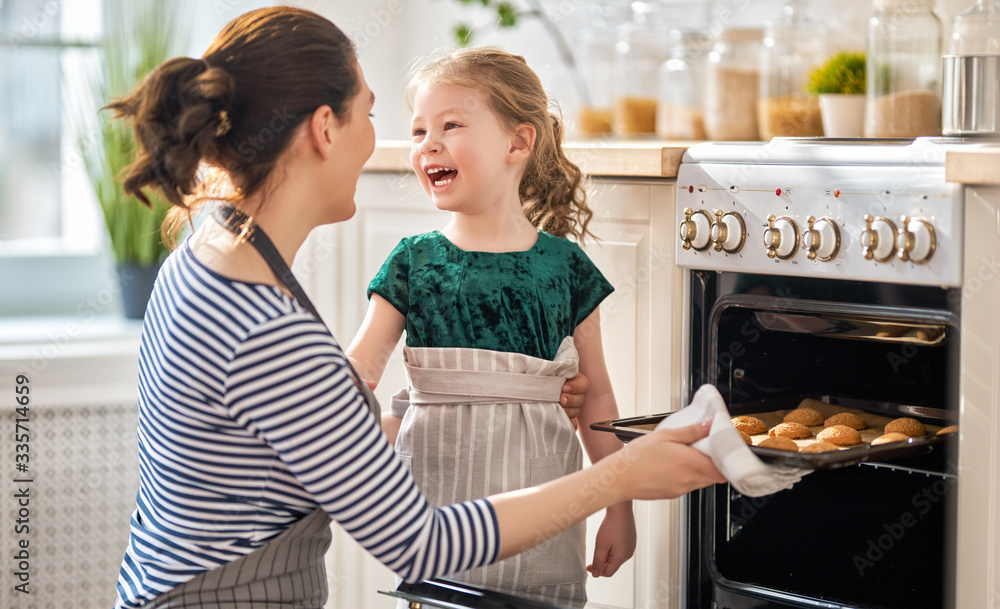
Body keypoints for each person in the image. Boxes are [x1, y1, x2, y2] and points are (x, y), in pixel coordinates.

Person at [107, 7, 724, 609]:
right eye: (374, 114)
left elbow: (290, 438)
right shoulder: (265, 325)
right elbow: (422, 544)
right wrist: (620, 478)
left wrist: (496, 396)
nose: (405, 143)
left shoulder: (204, 251)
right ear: (326, 128)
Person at [345, 47, 633, 606]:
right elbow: (359, 372)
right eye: (419, 130)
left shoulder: (567, 269)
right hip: (436, 524)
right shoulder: (413, 262)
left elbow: (595, 396)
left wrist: (619, 507)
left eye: (450, 125)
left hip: (546, 526)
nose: (428, 143)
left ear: (518, 143)